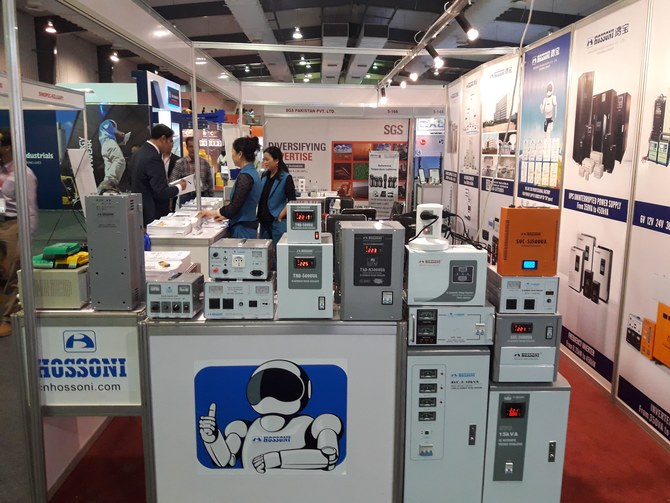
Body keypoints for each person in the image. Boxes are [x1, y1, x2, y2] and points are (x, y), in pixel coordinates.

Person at [0, 128, 39, 337]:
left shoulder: (24, 174)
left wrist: (25, 239)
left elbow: (30, 210)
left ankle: (9, 317)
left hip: (15, 226)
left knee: (13, 273)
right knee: (3, 271)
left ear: (7, 147)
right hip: (1, 223)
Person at [197, 136, 261, 238]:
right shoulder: (253, 173)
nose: (231, 155)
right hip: (247, 225)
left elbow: (234, 206)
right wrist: (224, 215)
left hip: (242, 229)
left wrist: (212, 213)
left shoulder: (245, 176)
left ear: (240, 154)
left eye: (232, 152)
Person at [130, 124, 186, 227]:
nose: (171, 145)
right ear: (163, 139)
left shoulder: (138, 154)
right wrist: (179, 187)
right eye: (170, 141)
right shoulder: (153, 157)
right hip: (152, 214)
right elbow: (160, 192)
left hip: (140, 211)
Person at [257, 146, 295, 250]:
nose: (265, 162)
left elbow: (292, 201)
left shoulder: (286, 178)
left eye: (267, 159)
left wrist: (280, 216)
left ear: (276, 160)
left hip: (276, 222)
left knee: (278, 252)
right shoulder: (264, 175)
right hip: (263, 222)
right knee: (264, 253)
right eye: (264, 159)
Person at [169, 136, 214, 205]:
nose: (193, 149)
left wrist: (211, 198)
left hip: (203, 196)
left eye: (195, 146)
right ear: (187, 147)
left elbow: (209, 182)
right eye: (191, 146)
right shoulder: (180, 163)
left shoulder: (205, 163)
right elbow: (172, 182)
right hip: (186, 197)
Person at [97, 119, 130, 194]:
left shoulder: (103, 135)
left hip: (104, 146)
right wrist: (121, 134)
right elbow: (109, 127)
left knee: (109, 166)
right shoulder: (106, 123)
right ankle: (110, 182)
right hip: (109, 142)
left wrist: (121, 144)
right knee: (120, 160)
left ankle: (107, 187)